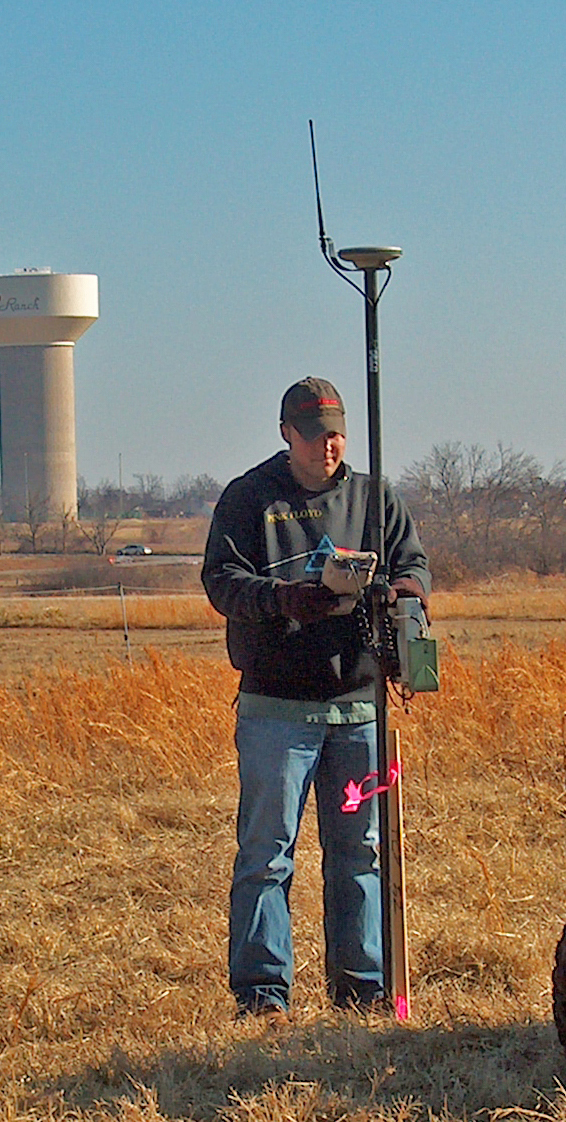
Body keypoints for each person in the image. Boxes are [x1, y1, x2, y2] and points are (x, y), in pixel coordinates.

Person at [202, 377, 432, 1019]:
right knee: (266, 854)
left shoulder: (373, 496)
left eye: (336, 434)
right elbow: (219, 581)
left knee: (361, 852)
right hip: (276, 710)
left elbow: (414, 564)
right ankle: (263, 995)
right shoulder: (250, 499)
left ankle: (362, 990)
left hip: (360, 708)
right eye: (314, 435)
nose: (328, 447)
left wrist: (401, 594)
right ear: (286, 434)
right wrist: (281, 600)